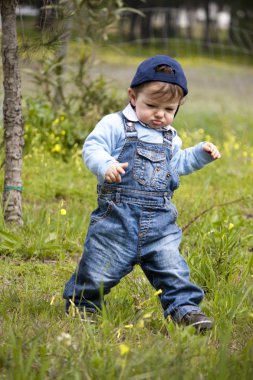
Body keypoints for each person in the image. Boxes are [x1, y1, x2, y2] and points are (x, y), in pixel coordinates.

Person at [63, 55, 221, 332]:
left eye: (169, 109)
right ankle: (84, 305)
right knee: (98, 268)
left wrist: (200, 154)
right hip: (116, 223)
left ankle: (185, 310)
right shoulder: (114, 125)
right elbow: (93, 148)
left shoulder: (171, 137)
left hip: (160, 226)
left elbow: (176, 166)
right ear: (133, 97)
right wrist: (106, 164)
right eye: (152, 106)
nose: (160, 115)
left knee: (173, 269)